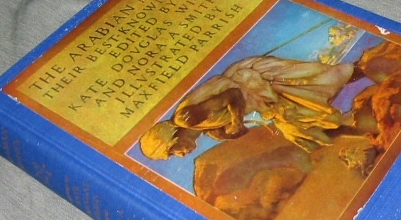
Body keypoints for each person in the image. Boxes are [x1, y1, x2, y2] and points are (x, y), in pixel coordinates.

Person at [140, 55, 354, 159]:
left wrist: (236, 121)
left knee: (320, 85)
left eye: (173, 151)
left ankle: (363, 71)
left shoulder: (186, 118)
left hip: (257, 81)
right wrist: (233, 131)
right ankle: (343, 141)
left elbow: (232, 94)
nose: (181, 154)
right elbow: (237, 127)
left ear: (172, 138)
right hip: (260, 96)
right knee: (300, 130)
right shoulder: (207, 129)